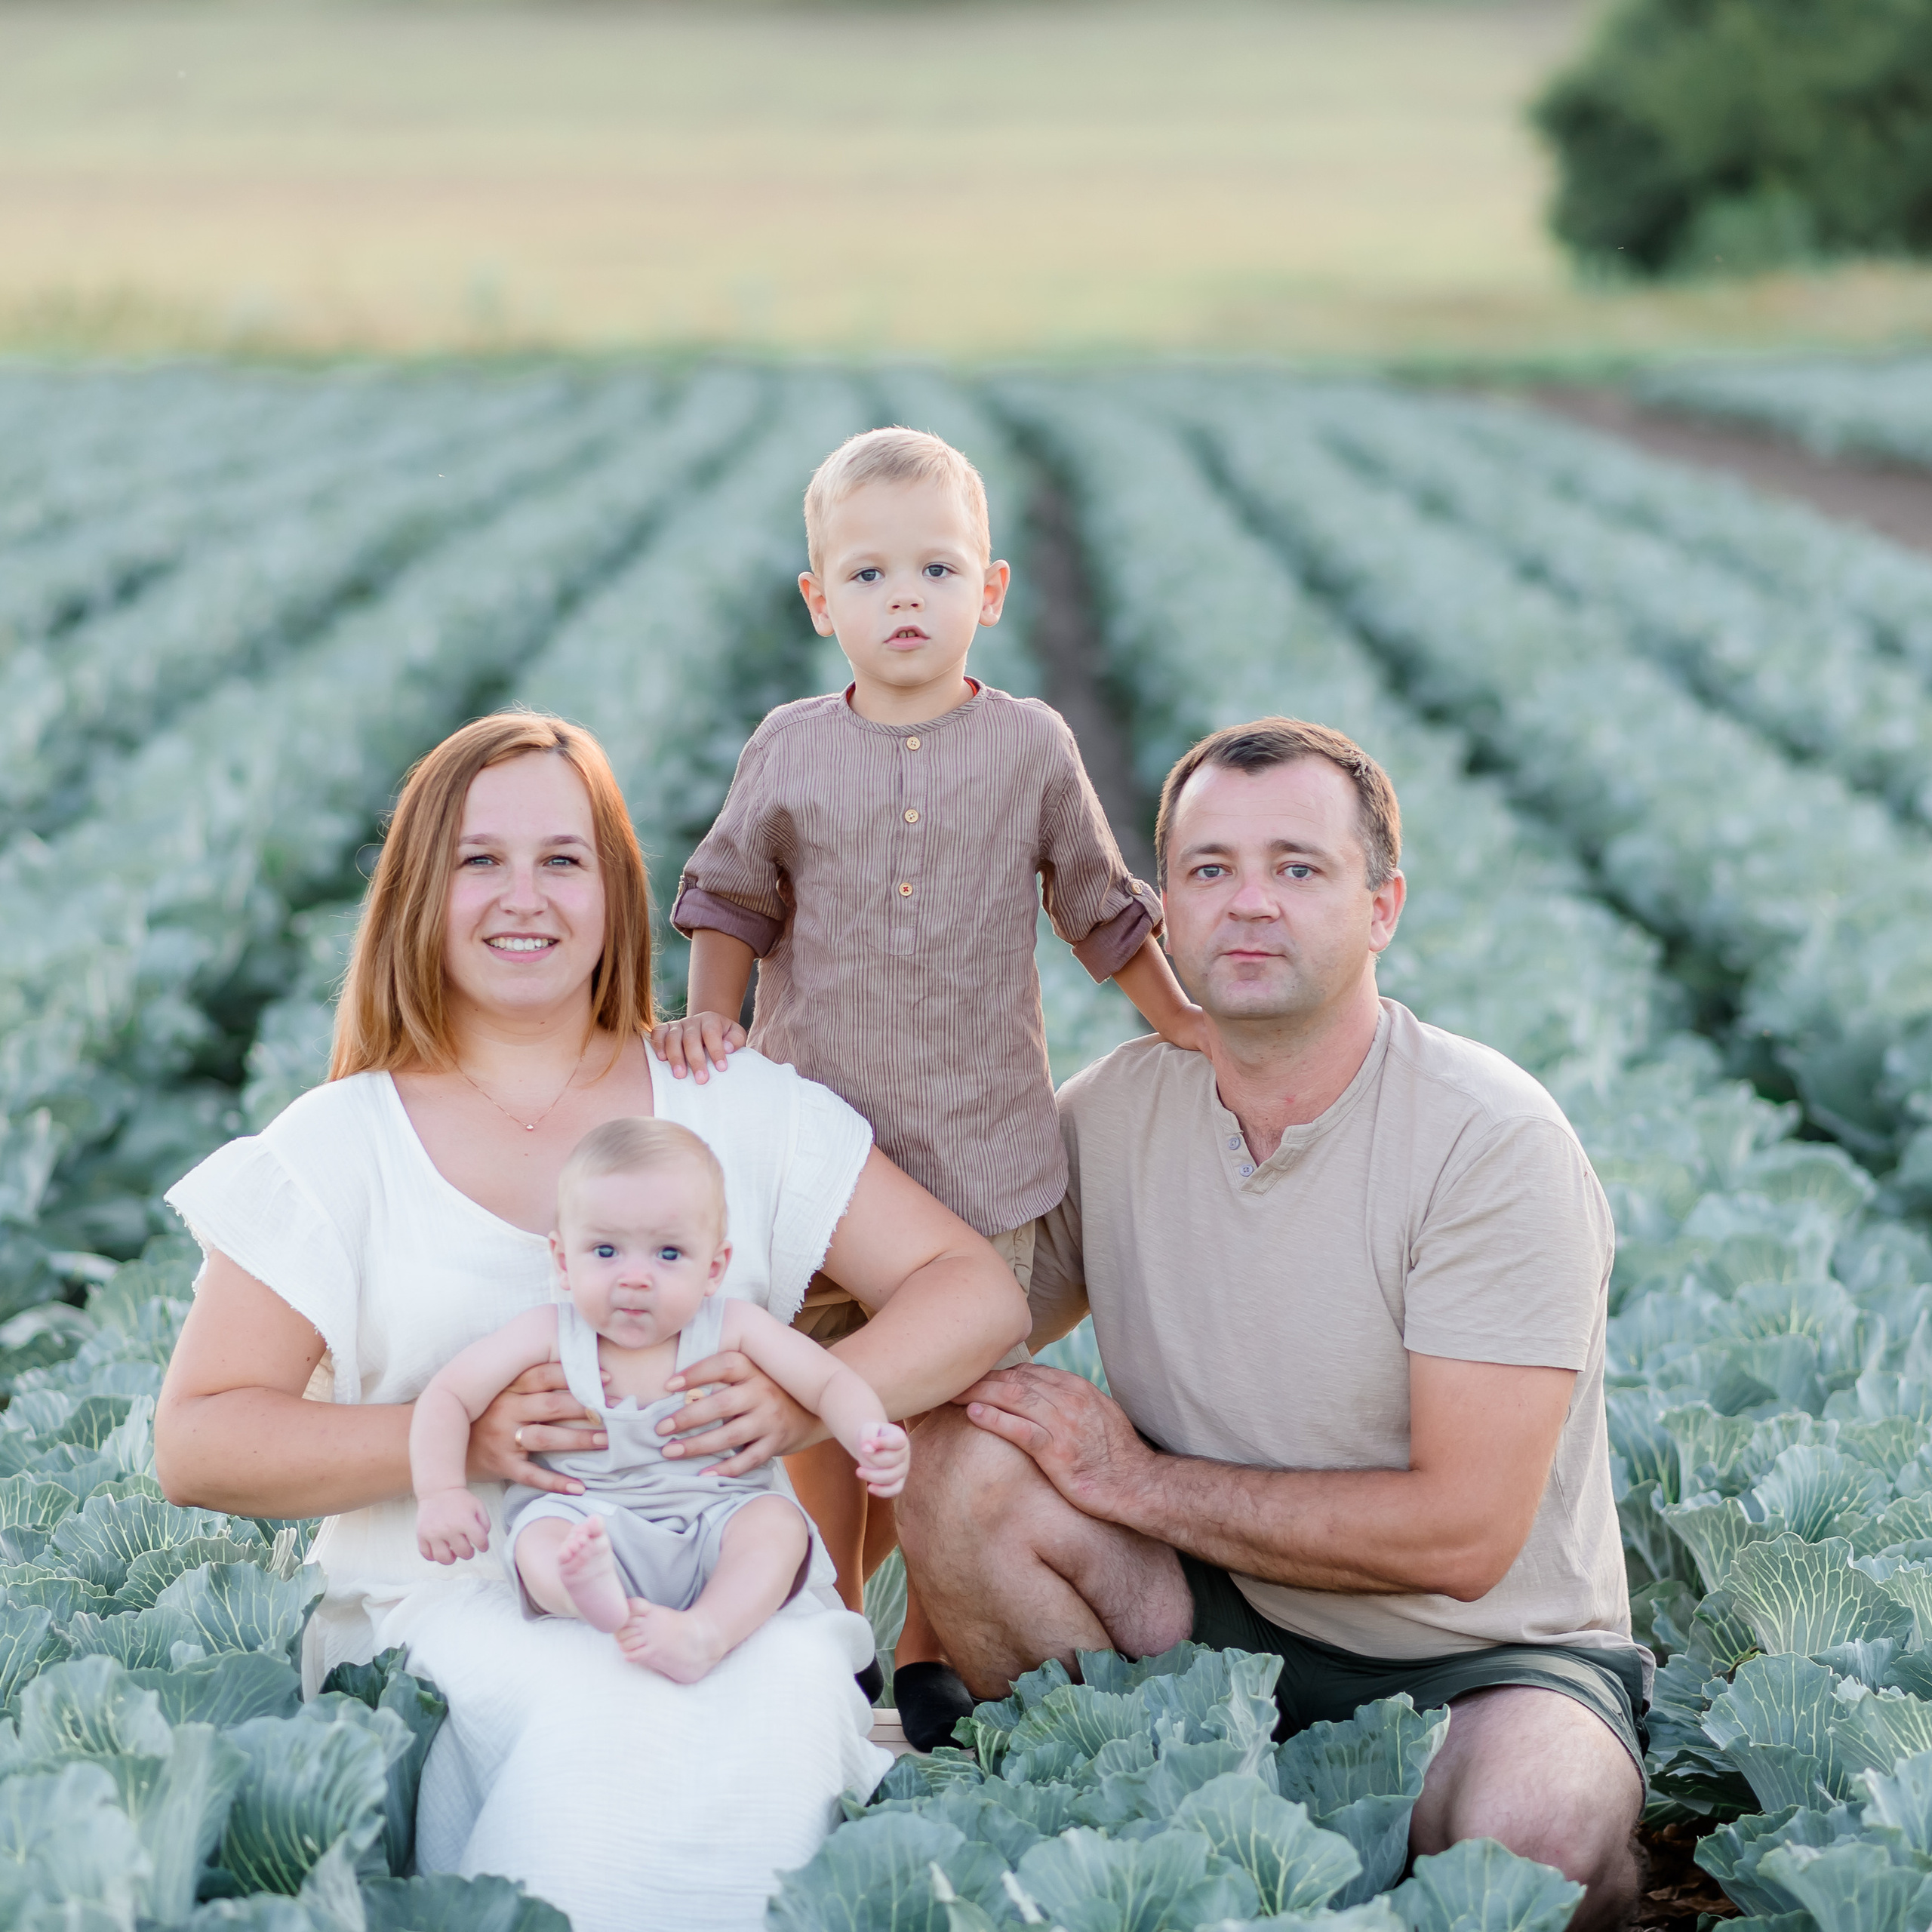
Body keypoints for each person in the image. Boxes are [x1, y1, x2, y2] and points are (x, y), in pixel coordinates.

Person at [153, 711, 1028, 1932]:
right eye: (480, 860)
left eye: (563, 860)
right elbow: (196, 1442)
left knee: (778, 1687)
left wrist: (792, 1401)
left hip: (721, 1579)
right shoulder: (339, 1144)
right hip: (446, 1608)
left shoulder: (732, 1106)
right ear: (419, 891)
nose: (525, 897)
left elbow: (972, 1288)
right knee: (584, 1706)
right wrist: (460, 1440)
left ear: (615, 891)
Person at [898, 718, 1647, 1932]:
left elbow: (1462, 1538)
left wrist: (1136, 1483)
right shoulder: (1112, 1117)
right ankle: (1150, 1852)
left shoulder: (1490, 1141)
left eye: (1298, 869)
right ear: (1165, 912)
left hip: (1478, 1660)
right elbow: (941, 1328)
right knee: (960, 1465)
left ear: (1381, 906)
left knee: (1537, 1847)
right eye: (1209, 871)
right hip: (1211, 1618)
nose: (1249, 905)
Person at [652, 426, 1208, 1747]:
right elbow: (731, 895)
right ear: (818, 601)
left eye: (937, 571)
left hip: (976, 1156)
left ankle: (927, 1643)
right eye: (869, 577)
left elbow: (1098, 908)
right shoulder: (790, 748)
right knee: (809, 1386)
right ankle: (827, 1608)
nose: (905, 600)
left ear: (992, 591)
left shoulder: (1029, 747)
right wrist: (710, 1027)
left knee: (947, 1413)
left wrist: (1178, 1019)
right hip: (816, 1157)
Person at [412, 1115, 911, 1684]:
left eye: (668, 1255)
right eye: (605, 1251)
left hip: (714, 1520)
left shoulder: (733, 1327)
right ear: (561, 1261)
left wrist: (869, 1432)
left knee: (776, 1524)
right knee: (538, 1537)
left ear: (714, 1268)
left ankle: (708, 1629)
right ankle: (591, 1598)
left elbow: (828, 1382)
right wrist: (441, 1490)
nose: (635, 1278)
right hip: (589, 1520)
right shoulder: (548, 1333)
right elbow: (448, 1395)